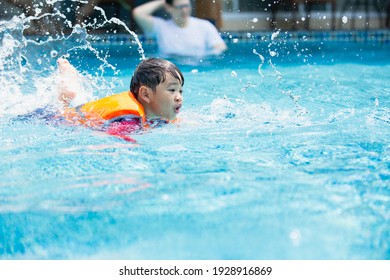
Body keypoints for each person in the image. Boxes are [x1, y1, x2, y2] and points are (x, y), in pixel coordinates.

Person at [22, 57, 184, 142]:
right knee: (59, 112)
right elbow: (109, 139)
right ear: (146, 95)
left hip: (83, 114)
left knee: (68, 108)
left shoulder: (156, 114)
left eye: (180, 91)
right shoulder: (128, 120)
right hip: (50, 119)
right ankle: (65, 94)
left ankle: (68, 93)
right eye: (172, 90)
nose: (179, 97)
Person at [132, 0, 227, 57]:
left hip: (198, 67)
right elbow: (138, 13)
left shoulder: (204, 26)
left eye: (187, 6)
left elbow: (221, 49)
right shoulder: (161, 27)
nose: (184, 10)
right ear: (168, 8)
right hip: (169, 69)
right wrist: (163, 1)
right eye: (180, 7)